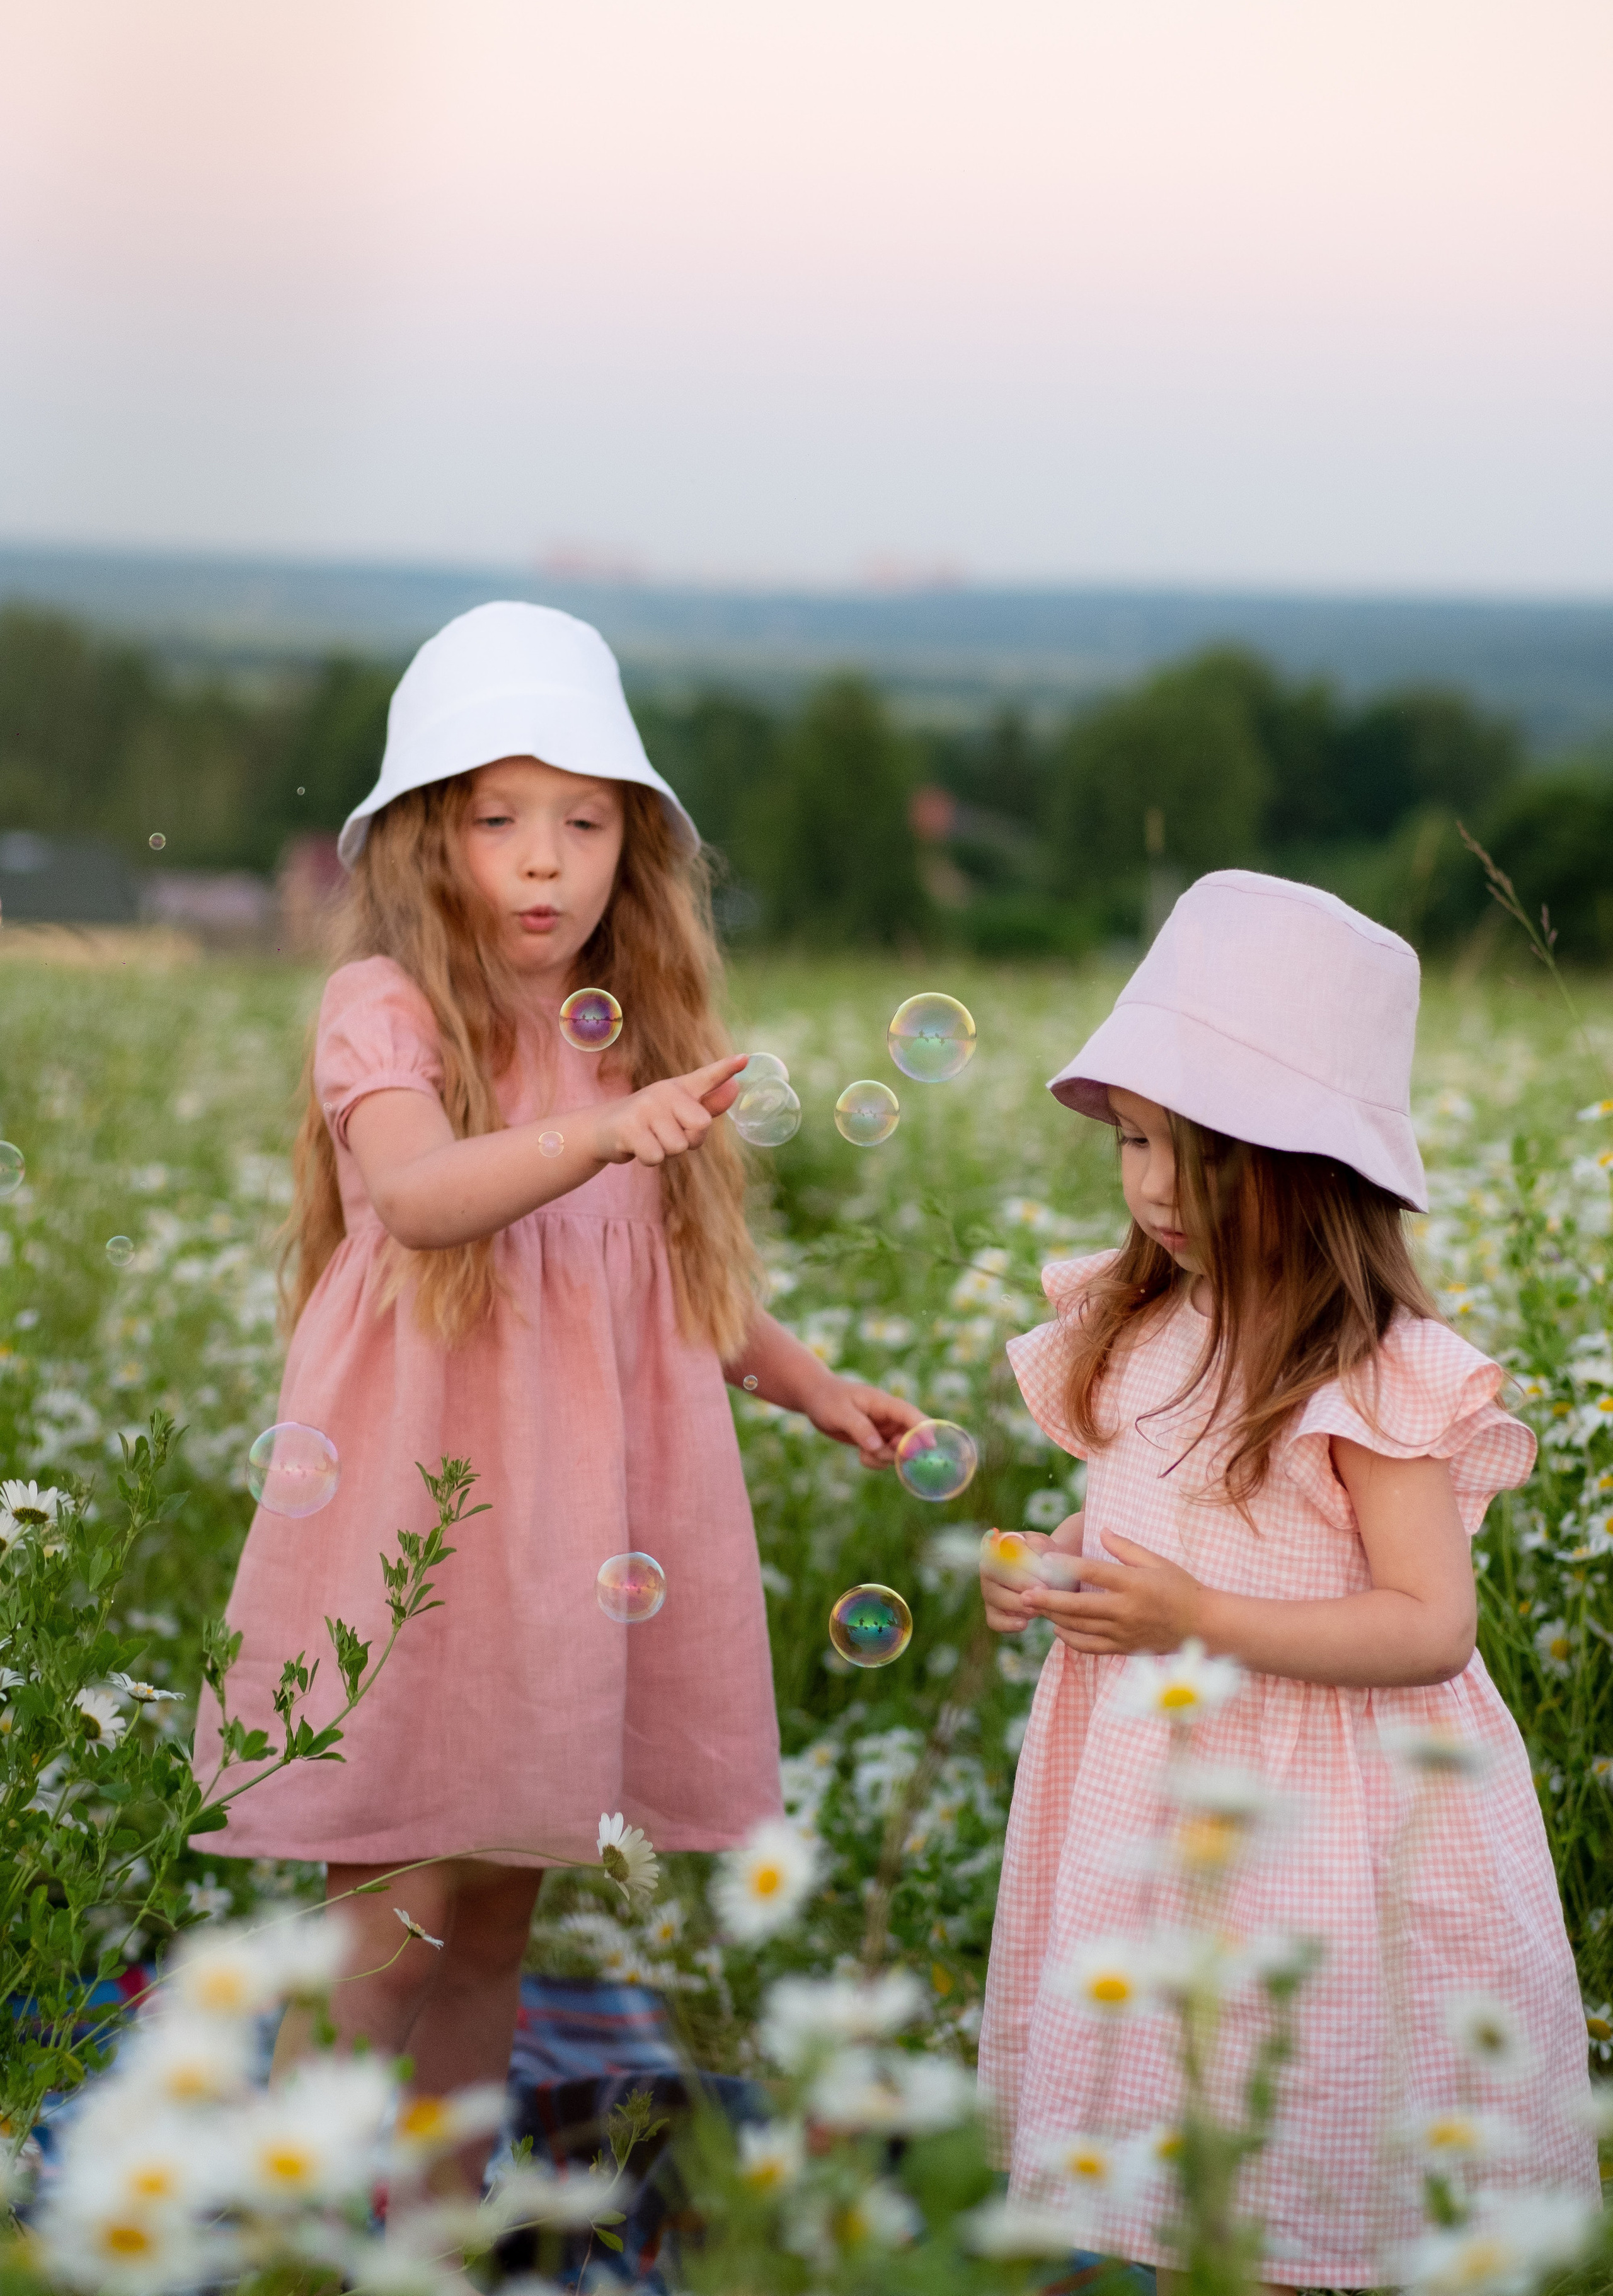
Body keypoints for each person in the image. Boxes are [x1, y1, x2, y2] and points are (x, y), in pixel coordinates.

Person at [192, 601, 921, 2166]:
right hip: (416, 1513)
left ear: (632, 844)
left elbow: (671, 1293)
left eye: (583, 822)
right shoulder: (383, 1009)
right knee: (384, 1931)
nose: (543, 860)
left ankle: (443, 2238)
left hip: (572, 1538)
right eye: (497, 819)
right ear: (416, 843)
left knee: (493, 1942)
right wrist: (598, 1130)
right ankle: (296, 2239)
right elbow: (418, 1195)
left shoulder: (637, 1031)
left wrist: (815, 1386)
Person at [976, 870, 1597, 2284]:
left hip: (1325, 1815)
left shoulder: (1372, 1374)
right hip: (1152, 1791)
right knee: (1163, 2097)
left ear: (1317, 1167)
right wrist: (1063, 1569)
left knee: (1295, 2119)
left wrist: (1195, 1620)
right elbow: (1144, 1524)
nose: (1149, 1187)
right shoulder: (1134, 1325)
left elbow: (1428, 1624)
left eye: (1200, 1153)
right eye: (1133, 1139)